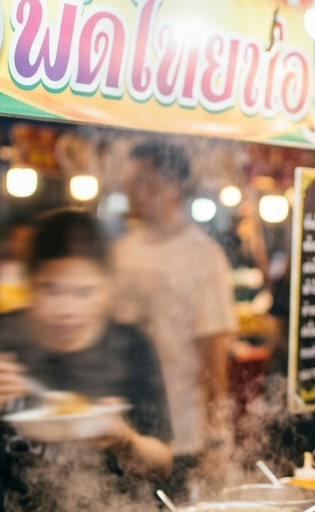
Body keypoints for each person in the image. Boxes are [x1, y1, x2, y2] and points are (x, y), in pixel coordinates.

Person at [0, 208, 173, 512]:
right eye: (50, 289)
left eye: (84, 292)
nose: (66, 309)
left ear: (108, 288)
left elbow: (162, 464)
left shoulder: (130, 345)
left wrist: (125, 440)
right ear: (29, 282)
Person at [111, 141, 235, 490]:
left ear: (174, 185)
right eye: (130, 181)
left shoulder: (203, 256)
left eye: (143, 181)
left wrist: (217, 438)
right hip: (124, 432)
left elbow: (214, 355)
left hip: (183, 433)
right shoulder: (121, 251)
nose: (132, 191)